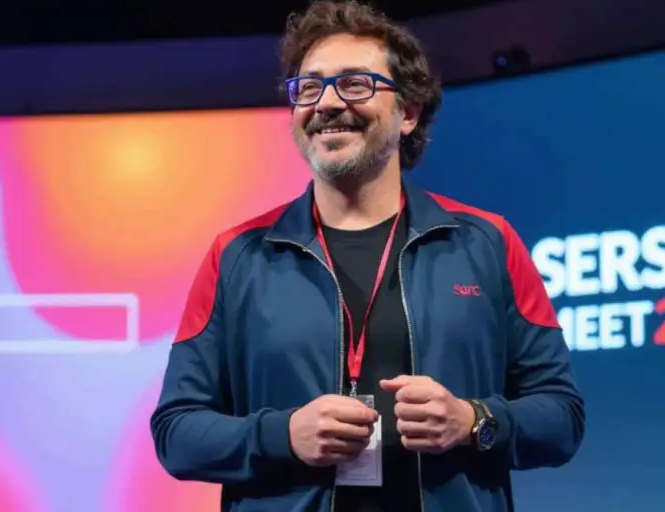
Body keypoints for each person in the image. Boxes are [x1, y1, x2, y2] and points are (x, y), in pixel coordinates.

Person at [150, 1, 585, 510]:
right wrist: (282, 435)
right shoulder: (237, 256)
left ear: (408, 113)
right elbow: (176, 433)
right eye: (308, 88)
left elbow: (562, 418)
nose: (327, 103)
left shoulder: (487, 242)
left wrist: (472, 421)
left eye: (355, 84)